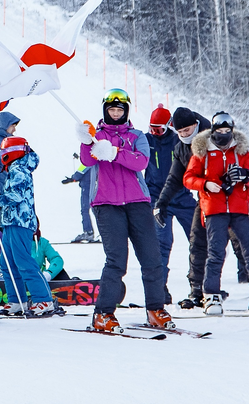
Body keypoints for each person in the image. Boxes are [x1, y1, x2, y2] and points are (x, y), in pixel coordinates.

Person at [79, 89, 173, 332]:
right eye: (112, 109)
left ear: (126, 111)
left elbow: (141, 161)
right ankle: (103, 313)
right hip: (106, 204)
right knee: (117, 261)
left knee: (152, 259)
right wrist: (85, 140)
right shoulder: (96, 136)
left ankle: (155, 308)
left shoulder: (137, 136)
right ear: (105, 111)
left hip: (137, 202)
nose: (116, 113)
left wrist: (114, 152)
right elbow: (88, 160)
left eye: (120, 110)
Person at [183, 112, 249, 316]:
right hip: (214, 208)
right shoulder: (202, 151)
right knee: (216, 253)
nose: (224, 135)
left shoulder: (241, 151)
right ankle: (211, 295)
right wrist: (206, 184)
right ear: (213, 132)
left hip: (240, 207)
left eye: (228, 131)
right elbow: (188, 178)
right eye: (220, 132)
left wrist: (243, 176)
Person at [154, 107, 214, 308]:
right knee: (188, 243)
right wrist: (160, 202)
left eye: (187, 130)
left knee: (234, 243)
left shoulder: (210, 139)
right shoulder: (179, 146)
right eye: (180, 132)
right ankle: (195, 290)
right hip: (191, 198)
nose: (184, 135)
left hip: (217, 200)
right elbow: (174, 177)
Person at [0, 136, 58, 316]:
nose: (2, 155)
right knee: (6, 263)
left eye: (4, 151)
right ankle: (16, 301)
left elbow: (15, 197)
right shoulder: (15, 169)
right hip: (10, 221)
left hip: (20, 221)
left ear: (12, 152)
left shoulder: (20, 170)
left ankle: (43, 300)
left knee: (23, 261)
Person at [144, 104, 181, 302]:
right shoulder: (146, 140)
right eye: (152, 128)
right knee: (162, 242)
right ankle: (160, 287)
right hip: (156, 197)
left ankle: (200, 286)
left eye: (159, 129)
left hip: (180, 195)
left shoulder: (178, 140)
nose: (154, 133)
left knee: (199, 237)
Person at [67, 156, 97, 243]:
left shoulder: (88, 161)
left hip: (87, 187)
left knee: (85, 209)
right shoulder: (95, 161)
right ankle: (103, 232)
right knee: (95, 209)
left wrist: (73, 178)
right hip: (92, 186)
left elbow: (80, 172)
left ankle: (88, 232)